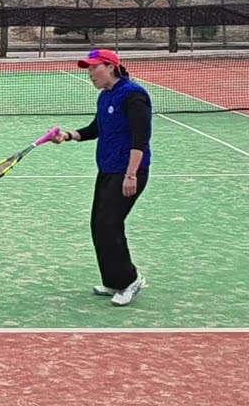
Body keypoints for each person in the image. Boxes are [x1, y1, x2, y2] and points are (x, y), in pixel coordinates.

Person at [48, 48, 151, 307]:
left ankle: (130, 280)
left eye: (94, 68)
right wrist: (68, 135)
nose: (90, 73)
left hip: (128, 171)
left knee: (110, 224)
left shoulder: (134, 95)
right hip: (107, 169)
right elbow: (95, 129)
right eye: (89, 69)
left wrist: (131, 175)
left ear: (111, 67)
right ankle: (113, 281)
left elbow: (140, 138)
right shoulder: (105, 96)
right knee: (98, 224)